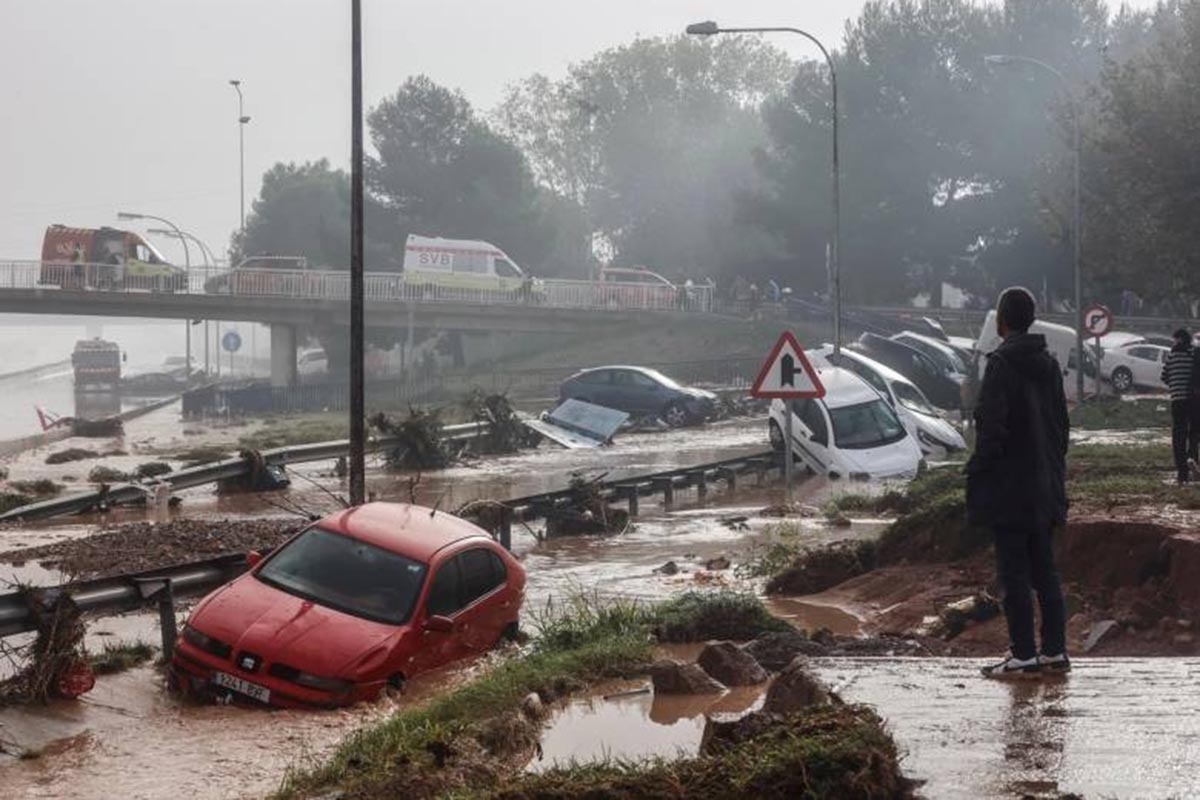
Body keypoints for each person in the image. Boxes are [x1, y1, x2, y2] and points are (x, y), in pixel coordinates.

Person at [967, 287, 1070, 678]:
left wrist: (980, 471)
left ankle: (1023, 654)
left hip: (1010, 487)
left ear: (1002, 320)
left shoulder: (1001, 365)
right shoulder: (1050, 365)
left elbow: (991, 427)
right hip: (1046, 485)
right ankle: (1055, 651)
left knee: (1013, 573)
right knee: (1045, 570)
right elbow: (1062, 428)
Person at [1162, 328, 1195, 483]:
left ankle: (1181, 470)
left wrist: (1175, 385)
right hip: (1192, 399)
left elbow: (1164, 376)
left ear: (1178, 339)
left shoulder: (1171, 356)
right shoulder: (1192, 355)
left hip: (1176, 400)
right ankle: (1192, 459)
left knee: (1178, 435)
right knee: (1193, 432)